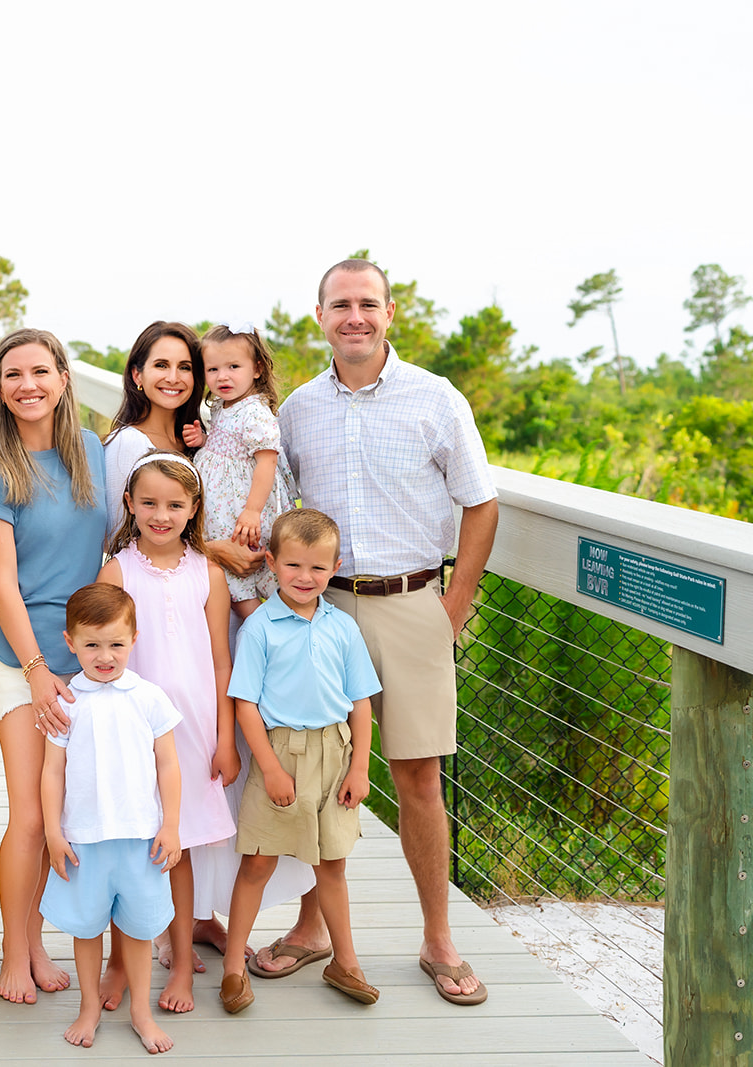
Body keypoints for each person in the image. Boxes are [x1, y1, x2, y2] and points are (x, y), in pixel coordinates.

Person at [277, 257, 499, 1005]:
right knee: (315, 771)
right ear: (320, 316)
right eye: (341, 304)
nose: (355, 317)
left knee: (418, 777)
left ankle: (438, 940)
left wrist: (454, 604)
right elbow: (276, 498)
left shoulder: (436, 398)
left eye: (367, 304)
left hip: (413, 605)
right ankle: (312, 926)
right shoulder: (299, 409)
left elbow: (481, 503)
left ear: (390, 312)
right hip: (323, 609)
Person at [0, 327, 107, 1005]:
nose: (28, 385)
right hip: (21, 658)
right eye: (12, 374)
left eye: (40, 371)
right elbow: (2, 584)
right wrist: (38, 669)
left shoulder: (92, 452)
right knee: (28, 813)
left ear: (63, 379)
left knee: (63, 812)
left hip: (85, 659)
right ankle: (13, 955)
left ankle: (38, 940)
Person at [220, 508, 382, 1014]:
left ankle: (345, 962)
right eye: (293, 565)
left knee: (332, 863)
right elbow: (245, 704)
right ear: (271, 563)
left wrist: (360, 768)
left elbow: (360, 702)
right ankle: (232, 968)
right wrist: (269, 768)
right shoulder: (259, 629)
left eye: (317, 567)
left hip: (335, 755)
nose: (304, 577)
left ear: (335, 568)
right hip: (281, 754)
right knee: (258, 862)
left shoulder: (343, 628)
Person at [96, 451, 236, 1014]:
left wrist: (226, 738)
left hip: (194, 730)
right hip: (133, 732)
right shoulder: (118, 572)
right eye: (149, 503)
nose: (161, 515)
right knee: (128, 845)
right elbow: (104, 656)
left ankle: (180, 962)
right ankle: (117, 962)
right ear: (129, 503)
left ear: (193, 508)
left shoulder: (209, 573)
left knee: (177, 848)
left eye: (175, 505)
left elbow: (221, 661)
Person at [40, 583, 182, 1055]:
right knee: (86, 929)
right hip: (84, 840)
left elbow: (168, 764)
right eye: (92, 645)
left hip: (142, 838)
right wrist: (53, 832)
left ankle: (141, 1011)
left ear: (134, 639)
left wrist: (171, 825)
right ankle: (89, 1007)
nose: (105, 656)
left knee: (139, 930)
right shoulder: (66, 702)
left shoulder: (149, 697)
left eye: (116, 644)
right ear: (70, 642)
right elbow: (52, 771)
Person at [185, 322, 298, 620]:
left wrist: (252, 510)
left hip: (243, 509)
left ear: (257, 369)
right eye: (213, 369)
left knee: (244, 578)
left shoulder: (254, 411)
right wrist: (204, 440)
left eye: (233, 366)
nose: (222, 376)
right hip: (223, 510)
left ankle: (268, 627)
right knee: (232, 579)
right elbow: (231, 449)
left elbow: (266, 462)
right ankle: (264, 626)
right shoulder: (222, 406)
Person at [103, 321, 204, 533]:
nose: (173, 378)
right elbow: (117, 537)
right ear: (137, 375)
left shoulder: (202, 441)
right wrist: (219, 549)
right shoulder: (127, 443)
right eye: (161, 365)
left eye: (184, 367)